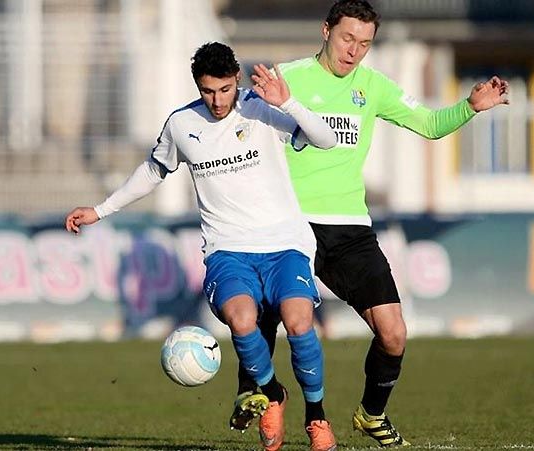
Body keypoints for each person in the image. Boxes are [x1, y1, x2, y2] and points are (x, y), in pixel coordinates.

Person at [229, 0, 510, 447]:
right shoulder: (288, 77)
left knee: (394, 333)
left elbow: (431, 124)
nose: (354, 51)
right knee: (268, 319)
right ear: (326, 31)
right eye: (347, 39)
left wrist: (470, 107)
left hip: (348, 229)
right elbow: (234, 126)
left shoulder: (373, 87)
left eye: (365, 43)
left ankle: (371, 413)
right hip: (287, 226)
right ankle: (266, 395)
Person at [64, 42, 339, 451]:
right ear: (198, 86)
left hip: (284, 243)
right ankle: (272, 393)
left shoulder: (262, 108)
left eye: (225, 90)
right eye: (209, 91)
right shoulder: (181, 124)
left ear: (237, 81)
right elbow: (153, 170)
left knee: (300, 323)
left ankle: (316, 416)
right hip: (227, 249)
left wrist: (290, 102)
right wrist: (101, 209)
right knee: (242, 320)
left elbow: (327, 140)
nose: (218, 100)